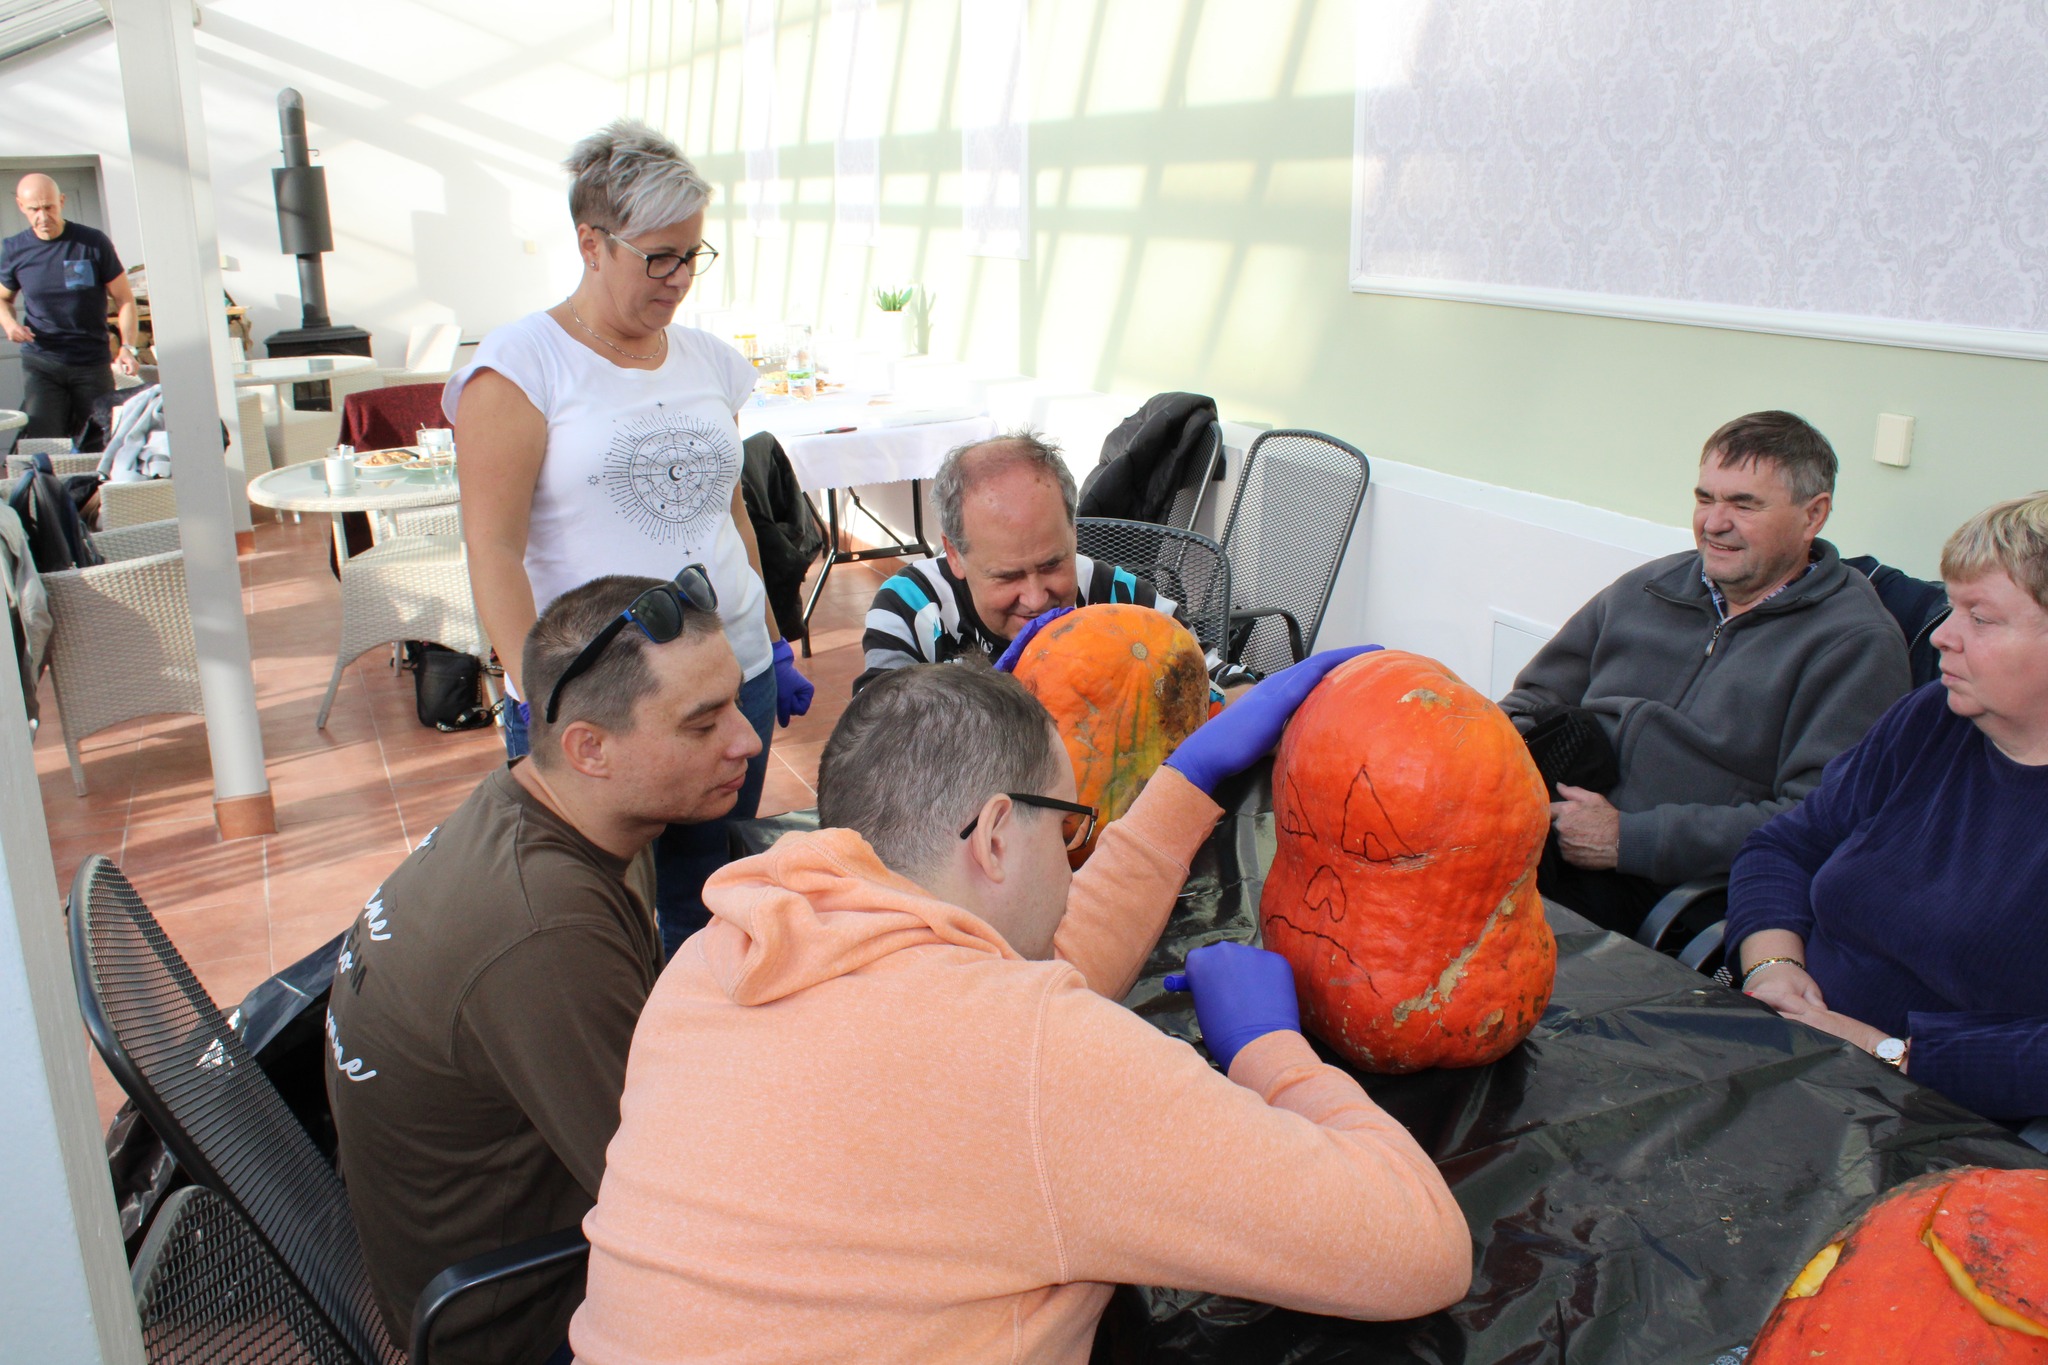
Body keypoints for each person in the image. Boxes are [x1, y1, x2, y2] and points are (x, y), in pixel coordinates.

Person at [569, 653, 1473, 1363]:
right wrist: (1273, 1049)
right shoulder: (1031, 1055)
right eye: (1070, 832)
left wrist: (1188, 780)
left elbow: (1005, 972)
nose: (1075, 866)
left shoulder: (718, 955)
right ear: (998, 836)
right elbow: (1416, 1244)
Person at [325, 571, 761, 1365]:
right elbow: (683, 1200)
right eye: (703, 723)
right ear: (589, 747)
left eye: (735, 702)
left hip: (509, 1248)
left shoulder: (560, 810)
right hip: (519, 1324)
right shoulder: (544, 928)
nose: (747, 741)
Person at [450, 118, 810, 954]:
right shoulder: (521, 367)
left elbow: (729, 513)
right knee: (589, 916)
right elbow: (493, 549)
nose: (679, 278)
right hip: (604, 703)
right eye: (659, 257)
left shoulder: (708, 360)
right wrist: (541, 695)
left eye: (693, 254)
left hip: (730, 678)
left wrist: (770, 639)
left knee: (706, 897)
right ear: (592, 243)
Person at [1499, 411, 1911, 935]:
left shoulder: (1855, 644)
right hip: (1543, 825)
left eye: (1744, 504)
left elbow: (1820, 816)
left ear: (1813, 515)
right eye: (1705, 498)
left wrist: (1631, 837)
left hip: (1662, 885)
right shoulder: (1649, 586)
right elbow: (1532, 699)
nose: (1714, 523)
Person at [1726, 492, 2048, 1139]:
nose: (1942, 635)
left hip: (1937, 1124)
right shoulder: (1934, 716)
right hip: (1788, 1047)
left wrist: (1887, 1051)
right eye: (1951, 606)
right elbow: (1785, 846)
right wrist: (1773, 969)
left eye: (1981, 618)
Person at [856, 432, 1179, 691]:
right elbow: (877, 735)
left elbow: (1211, 681)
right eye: (1007, 576)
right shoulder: (909, 606)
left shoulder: (1120, 599)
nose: (1036, 599)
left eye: (1052, 564)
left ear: (1073, 533)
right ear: (954, 554)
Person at [0, 173, 140, 441]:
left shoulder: (92, 242)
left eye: (49, 207)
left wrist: (128, 347)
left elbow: (124, 299)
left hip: (91, 361)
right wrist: (9, 324)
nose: (43, 217)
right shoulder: (14, 249)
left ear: (61, 201)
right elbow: (2, 298)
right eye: (34, 209)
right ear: (20, 206)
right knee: (45, 441)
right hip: (42, 362)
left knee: (99, 440)